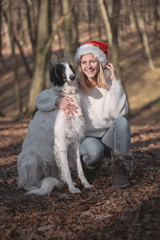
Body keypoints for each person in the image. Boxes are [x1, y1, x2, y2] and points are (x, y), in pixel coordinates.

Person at [36, 40, 133, 187]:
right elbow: (40, 99)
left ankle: (120, 171)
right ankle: (89, 167)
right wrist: (57, 101)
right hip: (86, 140)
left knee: (122, 122)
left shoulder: (110, 85)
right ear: (80, 65)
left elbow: (119, 112)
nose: (88, 66)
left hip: (107, 138)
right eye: (84, 62)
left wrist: (115, 81)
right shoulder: (75, 84)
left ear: (100, 63)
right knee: (94, 152)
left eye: (92, 61)